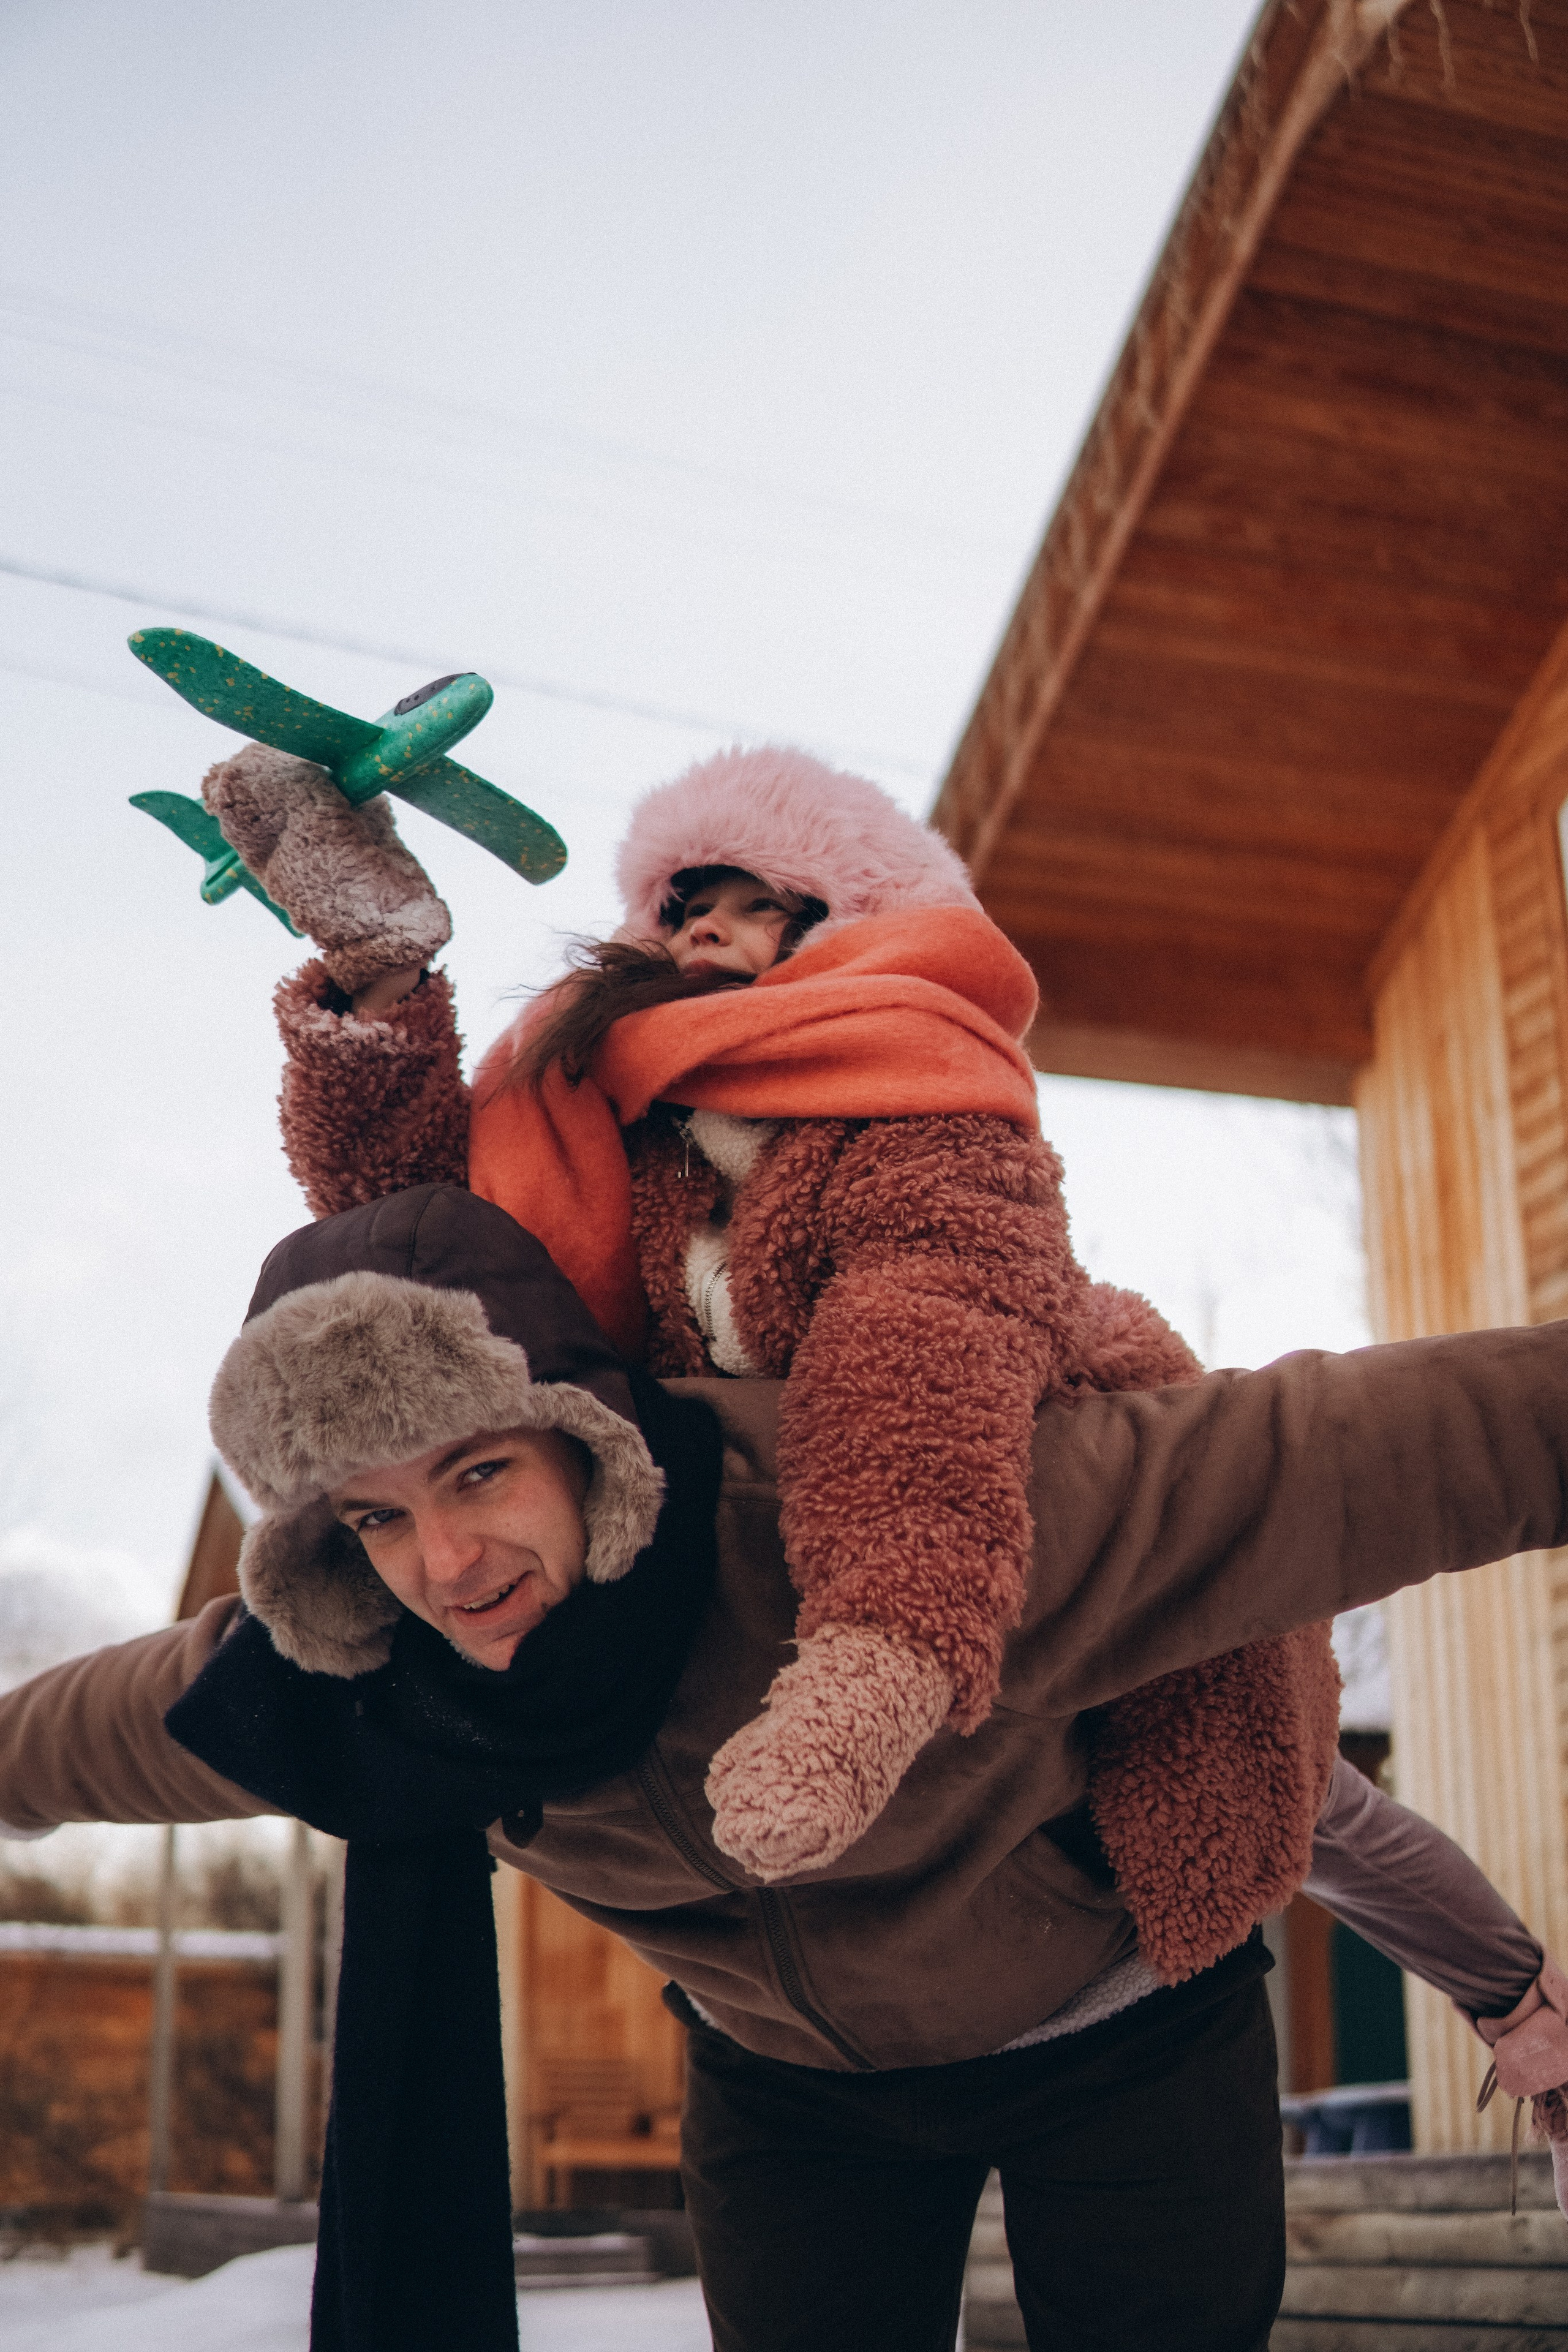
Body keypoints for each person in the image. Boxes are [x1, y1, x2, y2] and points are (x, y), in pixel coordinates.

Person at [3, 1182, 1567, 2352]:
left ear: (587, 1432)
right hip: (792, 2096)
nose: (446, 1561)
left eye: (477, 1474)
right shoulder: (366, 1669)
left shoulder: (868, 1518)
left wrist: (1502, 1984)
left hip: (1119, 2036)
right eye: (377, 1516)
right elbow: (86, 1731)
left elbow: (1349, 1451)